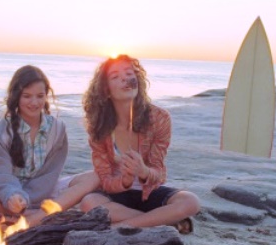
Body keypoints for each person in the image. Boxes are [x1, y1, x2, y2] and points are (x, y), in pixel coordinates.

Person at [0, 65, 99, 226]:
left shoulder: (57, 129)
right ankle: (40, 214)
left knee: (94, 176)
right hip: (6, 193)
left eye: (40, 96)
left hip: (43, 190)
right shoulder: (1, 134)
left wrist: (29, 198)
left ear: (46, 96)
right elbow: (1, 176)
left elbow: (51, 174)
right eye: (27, 96)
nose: (34, 102)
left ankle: (30, 216)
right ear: (16, 97)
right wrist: (14, 197)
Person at [80, 54, 200, 232]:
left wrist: (143, 171)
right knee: (89, 203)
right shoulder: (99, 126)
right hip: (117, 196)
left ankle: (121, 226)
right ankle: (162, 221)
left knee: (191, 201)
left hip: (148, 192)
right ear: (105, 90)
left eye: (129, 73)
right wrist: (125, 181)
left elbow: (159, 172)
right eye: (115, 77)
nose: (125, 79)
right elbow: (105, 180)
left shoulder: (159, 118)